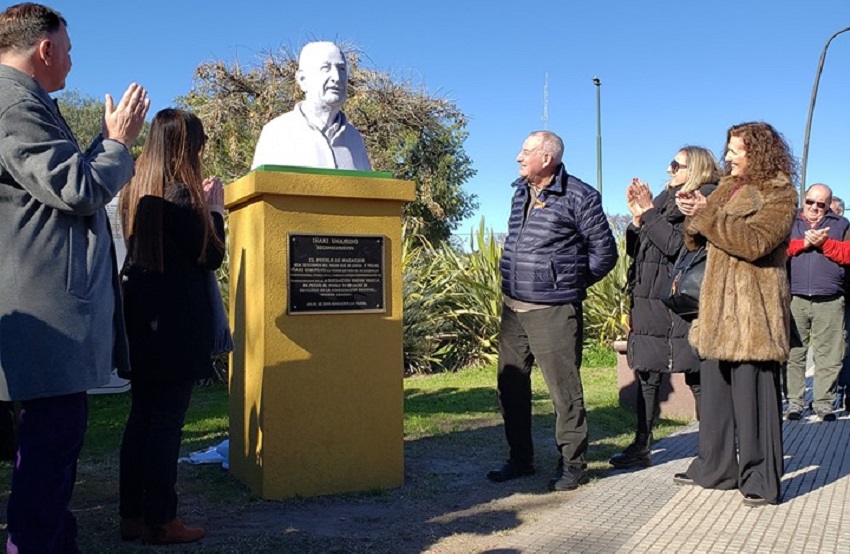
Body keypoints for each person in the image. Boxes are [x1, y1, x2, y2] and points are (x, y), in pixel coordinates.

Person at [0, 4, 149, 552]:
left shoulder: (28, 102)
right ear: (44, 49)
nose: (70, 59)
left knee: (52, 454)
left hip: (45, 313)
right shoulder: (14, 102)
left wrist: (102, 147)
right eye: (67, 47)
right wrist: (118, 143)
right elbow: (78, 190)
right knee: (47, 457)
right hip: (45, 314)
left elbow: (62, 182)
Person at [674, 122, 797, 507]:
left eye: (735, 150)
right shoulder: (728, 186)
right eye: (727, 149)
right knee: (715, 398)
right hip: (716, 309)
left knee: (754, 400)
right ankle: (716, 467)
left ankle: (761, 480)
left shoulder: (780, 192)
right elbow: (696, 237)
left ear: (757, 151)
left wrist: (708, 214)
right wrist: (692, 212)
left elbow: (756, 243)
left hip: (753, 312)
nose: (727, 156)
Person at [487, 130, 617, 491]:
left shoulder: (580, 195)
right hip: (513, 306)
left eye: (525, 151)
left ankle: (573, 466)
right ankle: (520, 459)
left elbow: (605, 254)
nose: (518, 157)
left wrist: (566, 285)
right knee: (510, 386)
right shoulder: (520, 191)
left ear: (547, 158)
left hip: (554, 310)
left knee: (564, 391)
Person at [117, 109, 225, 544]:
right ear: (187, 148)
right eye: (197, 145)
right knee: (166, 422)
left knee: (141, 417)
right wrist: (214, 211)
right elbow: (210, 255)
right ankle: (163, 518)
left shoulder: (136, 193)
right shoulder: (182, 197)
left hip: (142, 324)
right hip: (176, 328)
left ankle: (133, 516)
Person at [609, 146, 720, 469]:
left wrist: (649, 213)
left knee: (696, 374)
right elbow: (639, 249)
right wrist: (635, 218)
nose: (669, 170)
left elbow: (676, 246)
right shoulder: (664, 197)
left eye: (676, 164)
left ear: (695, 169)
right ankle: (641, 445)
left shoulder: (702, 198)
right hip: (648, 299)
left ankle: (712, 451)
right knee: (646, 372)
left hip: (679, 302)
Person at [251, 41, 371, 171]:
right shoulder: (276, 133)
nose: (336, 77)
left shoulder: (354, 139)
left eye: (341, 69)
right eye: (325, 68)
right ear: (303, 79)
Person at [783, 183, 849, 421]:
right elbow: (779, 251)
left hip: (830, 298)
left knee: (829, 356)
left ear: (829, 205)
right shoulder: (791, 223)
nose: (814, 208)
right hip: (795, 298)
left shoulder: (841, 225)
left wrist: (824, 244)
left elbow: (848, 253)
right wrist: (805, 244)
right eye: (810, 201)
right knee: (794, 353)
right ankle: (794, 403)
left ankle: (823, 403)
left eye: (820, 204)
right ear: (804, 199)